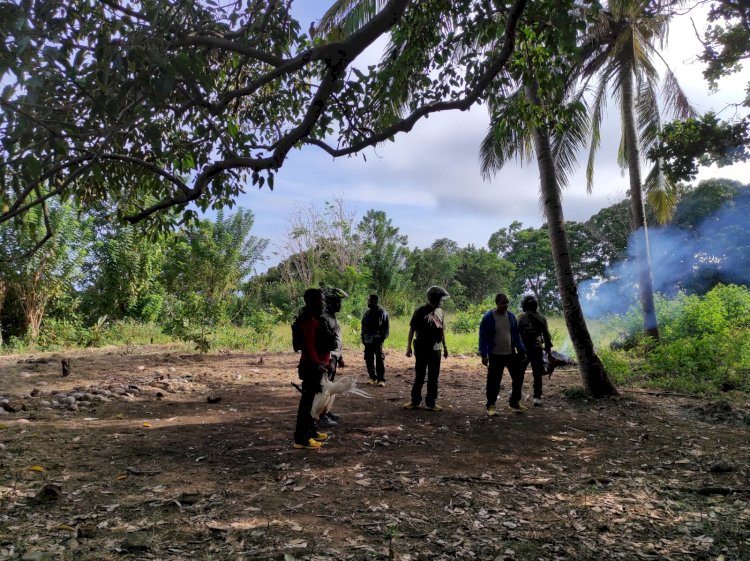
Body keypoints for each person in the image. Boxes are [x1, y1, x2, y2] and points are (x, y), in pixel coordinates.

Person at [291, 288, 337, 449]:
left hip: (317, 365)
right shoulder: (308, 319)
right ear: (312, 301)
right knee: (307, 404)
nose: (323, 302)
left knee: (315, 403)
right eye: (321, 299)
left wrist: (325, 361)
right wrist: (318, 362)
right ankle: (301, 439)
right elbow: (309, 344)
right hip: (310, 366)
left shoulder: (316, 317)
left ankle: (311, 432)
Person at [478, 293, 527, 415]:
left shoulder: (511, 317)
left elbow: (516, 335)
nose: (505, 305)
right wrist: (483, 354)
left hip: (510, 354)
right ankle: (491, 405)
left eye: (507, 302)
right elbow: (483, 337)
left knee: (518, 377)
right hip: (495, 355)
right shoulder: (489, 317)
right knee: (494, 381)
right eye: (503, 303)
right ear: (497, 303)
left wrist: (521, 350)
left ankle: (515, 401)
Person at [405, 286, 449, 411]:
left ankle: (431, 402)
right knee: (420, 375)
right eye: (440, 299)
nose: (441, 301)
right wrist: (408, 347)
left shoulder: (440, 312)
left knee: (433, 377)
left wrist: (445, 347)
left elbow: (441, 331)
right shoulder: (420, 311)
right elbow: (412, 329)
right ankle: (415, 401)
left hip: (436, 350)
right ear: (433, 298)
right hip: (422, 348)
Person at [319, 287, 349, 428]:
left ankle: (326, 411)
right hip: (328, 358)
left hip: (334, 357)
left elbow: (336, 339)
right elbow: (324, 342)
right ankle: (321, 415)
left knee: (329, 386)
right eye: (336, 301)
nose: (339, 305)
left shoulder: (331, 317)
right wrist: (330, 359)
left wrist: (340, 356)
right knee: (325, 387)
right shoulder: (324, 318)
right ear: (329, 302)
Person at [517, 294, 553, 407]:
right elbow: (547, 336)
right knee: (537, 374)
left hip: (523, 349)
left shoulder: (521, 318)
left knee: (519, 373)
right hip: (537, 349)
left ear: (524, 306)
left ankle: (516, 393)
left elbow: (515, 334)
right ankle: (537, 397)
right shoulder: (542, 318)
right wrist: (548, 350)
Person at [361, 294, 390, 387]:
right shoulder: (367, 313)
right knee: (369, 359)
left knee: (379, 359)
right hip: (368, 339)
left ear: (374, 301)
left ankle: (381, 379)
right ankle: (372, 377)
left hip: (377, 339)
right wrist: (363, 336)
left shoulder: (382, 312)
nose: (368, 301)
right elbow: (363, 325)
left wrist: (382, 338)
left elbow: (386, 327)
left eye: (369, 300)